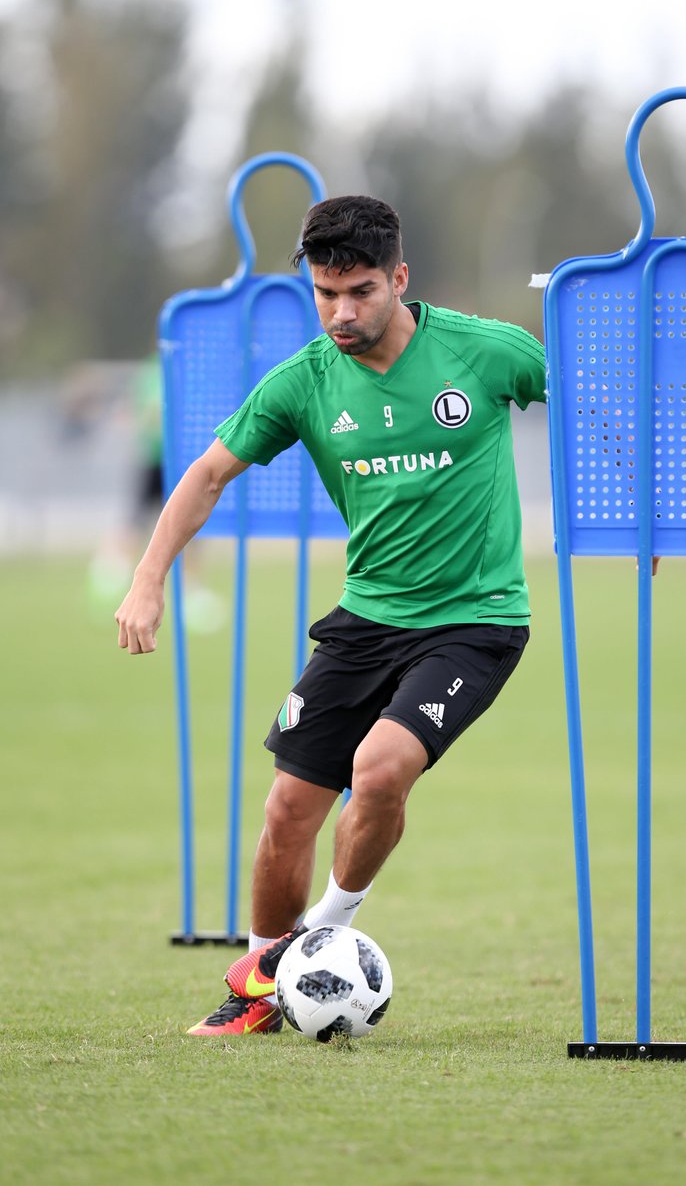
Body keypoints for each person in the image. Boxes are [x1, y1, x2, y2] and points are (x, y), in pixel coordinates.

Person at [115, 195, 547, 1035]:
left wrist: (637, 512)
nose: (342, 311)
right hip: (364, 617)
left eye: (360, 290)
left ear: (399, 280)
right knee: (285, 812)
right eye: (326, 293)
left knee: (383, 768)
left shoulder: (486, 352)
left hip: (476, 619)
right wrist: (148, 576)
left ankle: (315, 941)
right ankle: (259, 994)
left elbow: (590, 404)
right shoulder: (304, 382)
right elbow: (205, 474)